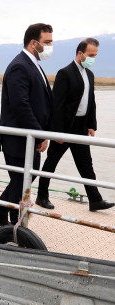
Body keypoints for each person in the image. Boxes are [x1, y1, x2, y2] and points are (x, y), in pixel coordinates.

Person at [0, 23, 54, 227]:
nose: (50, 47)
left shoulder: (34, 64)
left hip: (29, 136)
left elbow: (42, 103)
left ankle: (11, 218)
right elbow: (21, 106)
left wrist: (46, 132)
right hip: (18, 137)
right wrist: (40, 135)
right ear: (34, 43)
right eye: (47, 42)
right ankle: (0, 213)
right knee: (21, 180)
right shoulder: (20, 66)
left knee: (25, 178)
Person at [35, 38, 114, 212]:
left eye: (95, 55)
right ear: (80, 53)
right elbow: (57, 105)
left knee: (86, 164)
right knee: (51, 162)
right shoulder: (65, 73)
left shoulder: (90, 74)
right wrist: (58, 132)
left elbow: (91, 101)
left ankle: (95, 200)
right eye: (91, 55)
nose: (93, 58)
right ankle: (42, 196)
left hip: (81, 127)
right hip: (64, 127)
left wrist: (91, 124)